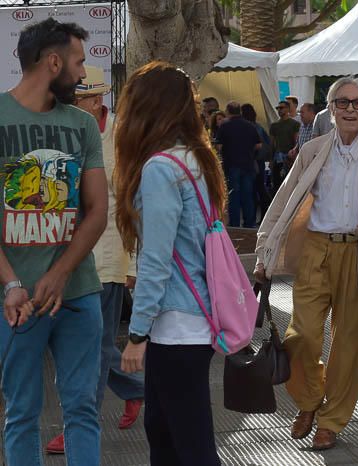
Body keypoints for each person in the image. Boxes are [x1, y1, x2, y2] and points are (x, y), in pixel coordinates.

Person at [253, 77, 358, 451]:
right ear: (330, 110)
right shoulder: (313, 149)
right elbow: (284, 199)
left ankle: (331, 421)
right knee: (302, 336)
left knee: (351, 343)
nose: (350, 109)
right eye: (342, 103)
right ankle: (311, 401)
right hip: (316, 249)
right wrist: (264, 249)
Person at [0, 18, 108, 465]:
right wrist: (11, 284)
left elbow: (98, 211)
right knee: (21, 412)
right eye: (79, 62)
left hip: (79, 294)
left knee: (82, 408)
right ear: (53, 61)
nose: (83, 74)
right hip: (16, 300)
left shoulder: (82, 125)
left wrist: (61, 274)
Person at [115, 61, 226, 466]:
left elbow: (157, 261)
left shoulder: (162, 168)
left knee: (185, 444)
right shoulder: (196, 159)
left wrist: (137, 334)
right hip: (192, 320)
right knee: (167, 434)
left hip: (176, 324)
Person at [41, 66, 146, 456]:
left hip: (108, 254)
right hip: (64, 256)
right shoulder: (61, 129)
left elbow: (134, 203)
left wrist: (134, 264)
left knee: (94, 346)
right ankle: (138, 389)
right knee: (82, 344)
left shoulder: (122, 136)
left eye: (74, 99)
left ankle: (78, 426)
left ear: (96, 100)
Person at [216, 101, 261, 228]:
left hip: (231, 165)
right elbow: (259, 144)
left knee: (234, 196)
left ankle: (235, 224)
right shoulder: (249, 125)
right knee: (248, 196)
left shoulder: (225, 126)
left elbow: (219, 146)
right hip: (248, 164)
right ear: (240, 111)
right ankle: (249, 223)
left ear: (228, 111)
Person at [242, 103, 272, 220]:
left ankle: (253, 217)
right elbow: (267, 143)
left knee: (254, 190)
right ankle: (263, 216)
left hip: (253, 161)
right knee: (261, 188)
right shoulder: (259, 127)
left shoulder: (248, 128)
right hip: (262, 161)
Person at [269, 100, 300, 192]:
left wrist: (295, 158)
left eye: (281, 108)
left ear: (287, 109)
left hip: (290, 157)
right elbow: (272, 143)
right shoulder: (274, 125)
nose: (279, 110)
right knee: (277, 184)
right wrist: (271, 160)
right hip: (278, 158)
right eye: (278, 108)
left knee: (290, 184)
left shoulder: (294, 124)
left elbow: (296, 141)